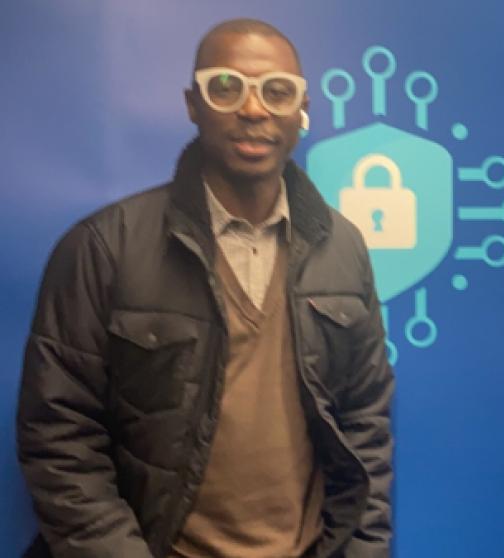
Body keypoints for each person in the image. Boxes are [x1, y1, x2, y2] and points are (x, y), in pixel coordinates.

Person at [16, 18, 393, 558]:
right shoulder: (104, 247)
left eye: (277, 92)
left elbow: (365, 425)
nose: (254, 109)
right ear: (193, 104)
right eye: (226, 87)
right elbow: (59, 436)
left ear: (302, 109)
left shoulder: (344, 248)